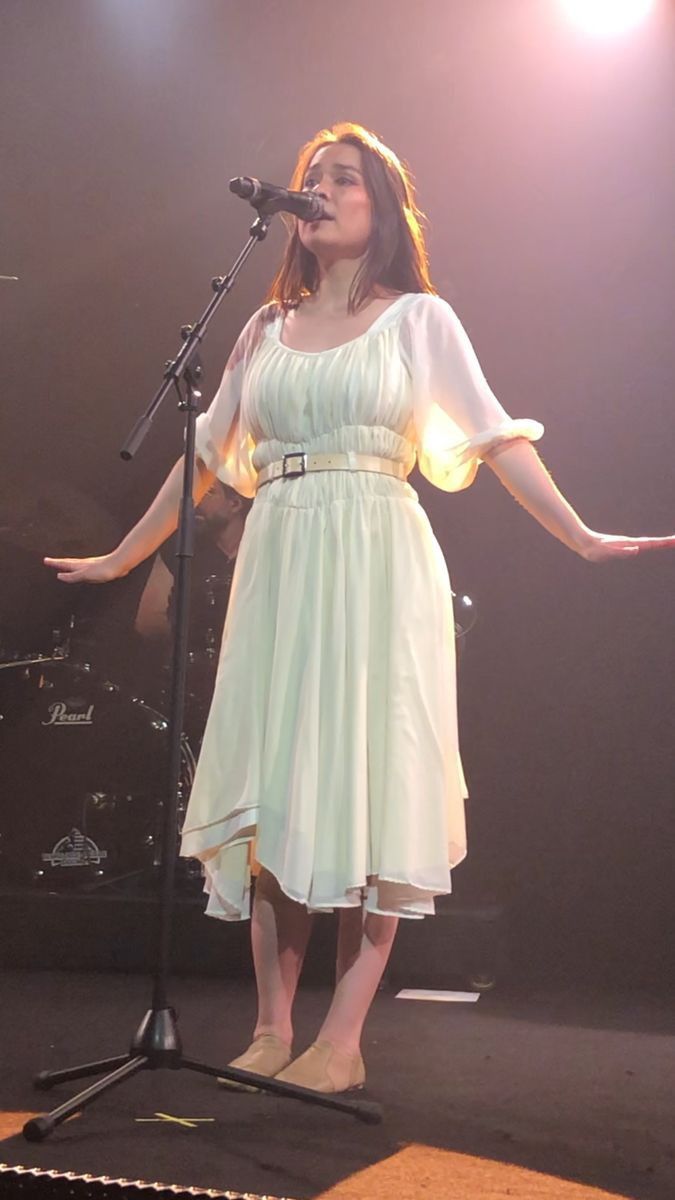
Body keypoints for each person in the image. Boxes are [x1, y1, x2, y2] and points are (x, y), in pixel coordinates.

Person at [45, 122, 675, 1095]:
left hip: (377, 549)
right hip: (284, 548)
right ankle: (268, 1027)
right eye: (313, 180)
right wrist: (125, 554)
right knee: (275, 778)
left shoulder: (419, 320)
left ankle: (341, 1038)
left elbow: (497, 437)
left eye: (345, 178)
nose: (322, 191)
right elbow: (207, 459)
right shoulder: (264, 331)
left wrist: (583, 536)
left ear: (382, 208)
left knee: (369, 778)